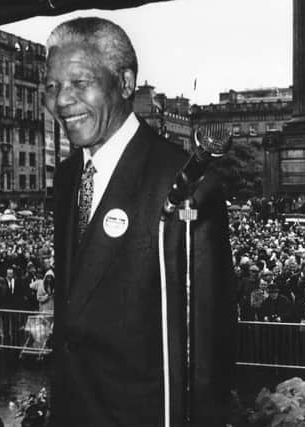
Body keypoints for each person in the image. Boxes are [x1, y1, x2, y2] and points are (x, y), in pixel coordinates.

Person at [46, 17, 235, 426]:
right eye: (53, 86)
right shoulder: (66, 178)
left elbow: (207, 354)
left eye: (79, 83)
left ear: (126, 83)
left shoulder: (185, 182)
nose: (61, 101)